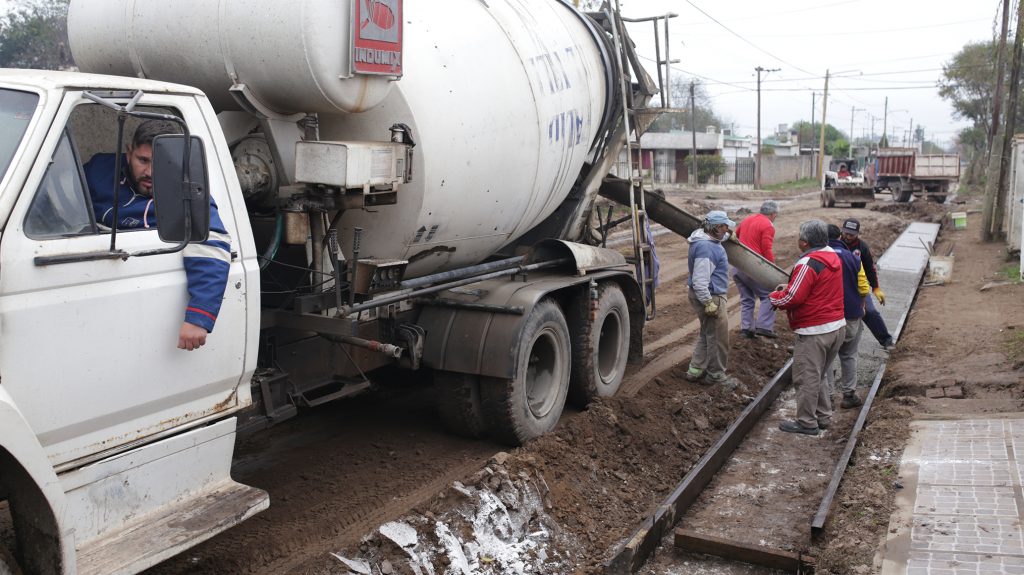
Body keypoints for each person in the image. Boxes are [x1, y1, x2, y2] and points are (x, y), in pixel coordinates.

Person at [84, 119, 232, 351]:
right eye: (143, 160)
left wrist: (198, 318)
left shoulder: (188, 195)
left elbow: (212, 248)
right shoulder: (99, 170)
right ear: (129, 153)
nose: (150, 172)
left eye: (160, 164)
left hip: (139, 307)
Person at [769, 219, 845, 436]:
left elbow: (793, 298)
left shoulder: (808, 262)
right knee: (818, 375)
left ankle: (806, 422)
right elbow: (814, 287)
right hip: (836, 327)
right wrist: (791, 286)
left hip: (815, 331)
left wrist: (775, 297)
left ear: (803, 242)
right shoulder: (832, 256)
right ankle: (823, 417)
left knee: (805, 377)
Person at [685, 210, 737, 386]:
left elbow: (716, 238)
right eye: (724, 227)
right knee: (718, 338)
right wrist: (708, 302)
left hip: (704, 295)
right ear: (715, 227)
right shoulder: (707, 249)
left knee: (707, 333)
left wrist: (728, 236)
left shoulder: (702, 237)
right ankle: (715, 375)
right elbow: (700, 281)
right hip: (710, 296)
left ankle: (695, 369)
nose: (727, 229)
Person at [826, 224, 870, 409]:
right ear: (840, 237)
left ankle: (827, 397)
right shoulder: (852, 258)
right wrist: (862, 304)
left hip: (827, 318)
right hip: (851, 315)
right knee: (849, 354)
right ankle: (849, 394)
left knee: (826, 357)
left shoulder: (817, 258)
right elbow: (863, 287)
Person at [840, 218, 895, 349]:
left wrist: (875, 288)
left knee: (870, 311)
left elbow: (870, 268)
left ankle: (886, 340)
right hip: (838, 285)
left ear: (857, 233)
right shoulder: (837, 244)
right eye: (846, 233)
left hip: (858, 286)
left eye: (851, 235)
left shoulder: (862, 247)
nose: (847, 237)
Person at [732, 200, 779, 339]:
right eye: (776, 215)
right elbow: (766, 249)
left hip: (738, 266)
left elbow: (737, 237)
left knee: (747, 298)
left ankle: (746, 329)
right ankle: (763, 327)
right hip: (753, 267)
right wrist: (772, 269)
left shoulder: (748, 219)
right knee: (770, 296)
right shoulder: (768, 225)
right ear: (772, 214)